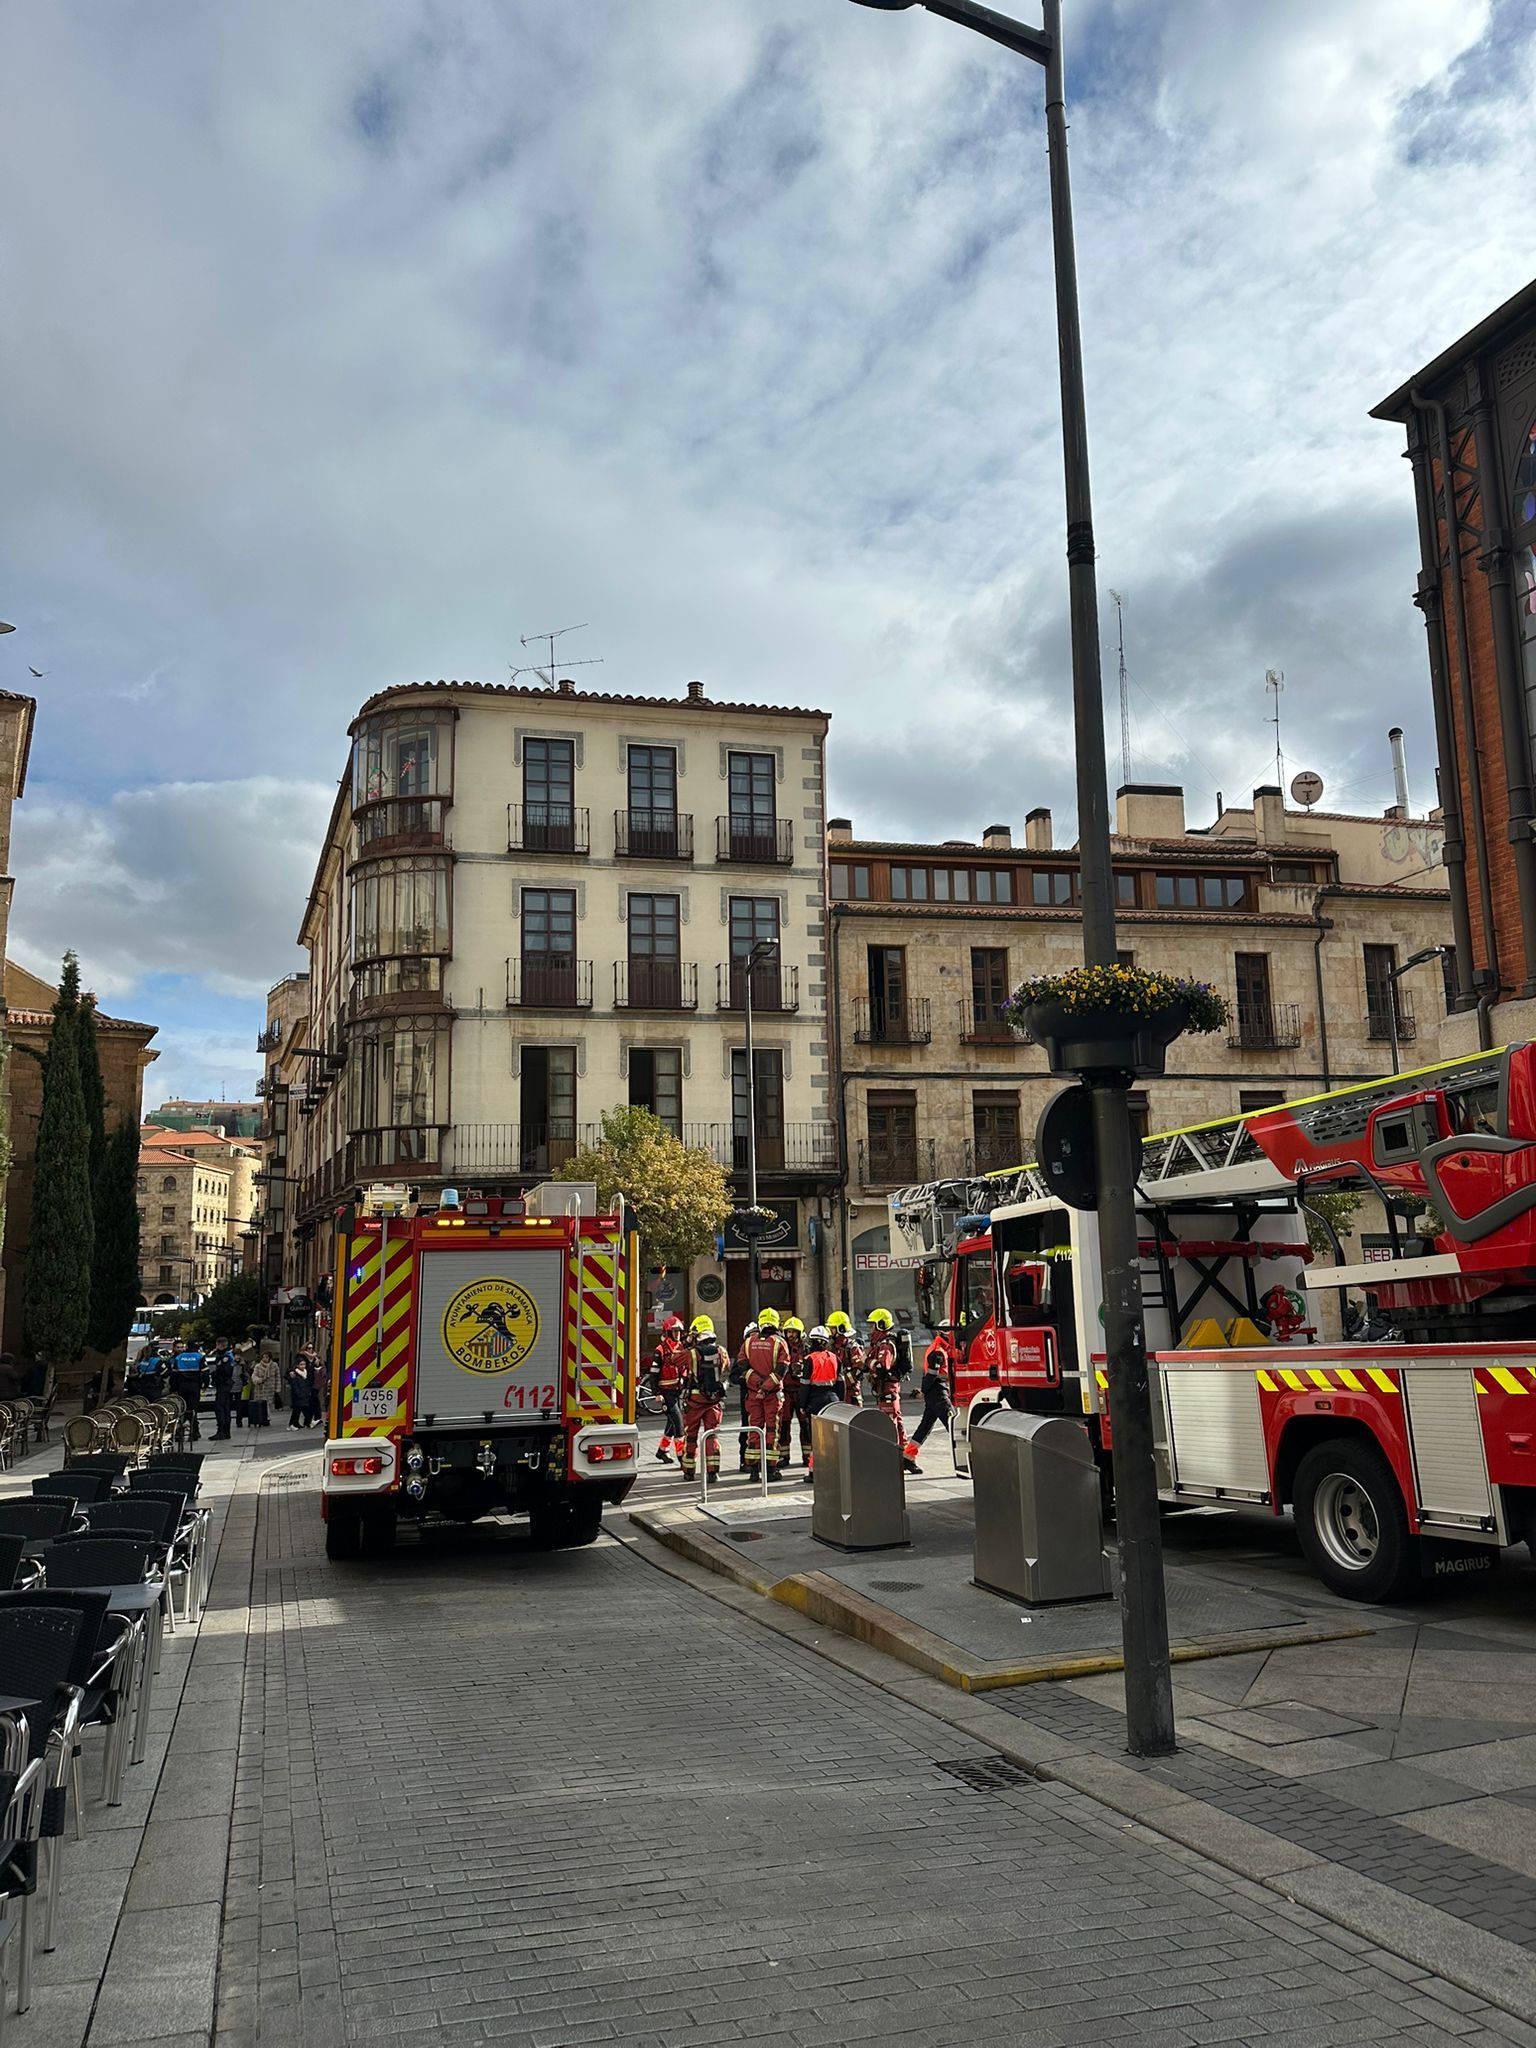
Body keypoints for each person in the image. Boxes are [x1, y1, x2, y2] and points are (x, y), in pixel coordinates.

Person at [865, 1307, 917, 1469]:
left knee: (889, 1423)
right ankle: (906, 1457)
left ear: (881, 1325)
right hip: (887, 1387)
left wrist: (867, 1362)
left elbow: (882, 1367)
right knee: (897, 1420)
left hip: (888, 1388)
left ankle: (893, 1457)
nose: (870, 1329)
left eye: (872, 1325)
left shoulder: (886, 1345)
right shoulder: (882, 1342)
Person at [678, 1315, 727, 1483]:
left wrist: (686, 1342)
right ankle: (713, 1473)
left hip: (695, 1400)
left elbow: (674, 1360)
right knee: (712, 1435)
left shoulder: (692, 1353)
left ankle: (689, 1472)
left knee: (691, 1435)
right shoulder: (721, 1351)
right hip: (713, 1400)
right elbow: (725, 1366)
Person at [741, 1312, 788, 1479]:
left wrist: (757, 1385)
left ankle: (753, 1471)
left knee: (754, 1429)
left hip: (753, 1394)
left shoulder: (748, 1342)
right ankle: (770, 1470)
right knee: (772, 1431)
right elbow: (781, 1370)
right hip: (772, 1395)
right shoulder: (780, 1343)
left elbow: (742, 1367)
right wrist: (766, 1387)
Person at [906, 1325, 956, 1474]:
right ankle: (969, 1457)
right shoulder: (938, 1352)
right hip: (938, 1394)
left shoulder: (937, 1348)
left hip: (935, 1394)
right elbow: (931, 1376)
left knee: (925, 1426)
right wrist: (923, 1391)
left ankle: (908, 1457)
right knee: (952, 1424)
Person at [800, 1327, 841, 1483]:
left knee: (817, 1440)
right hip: (833, 1401)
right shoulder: (835, 1358)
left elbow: (805, 1385)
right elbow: (840, 1383)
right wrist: (839, 1402)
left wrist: (802, 1404)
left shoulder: (809, 1359)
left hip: (815, 1402)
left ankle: (814, 1472)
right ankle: (834, 1470)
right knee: (832, 1438)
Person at [649, 1315, 690, 1464]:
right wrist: (657, 1393)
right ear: (667, 1332)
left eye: (679, 1331)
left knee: (672, 1423)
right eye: (674, 1331)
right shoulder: (660, 1350)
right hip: (666, 1393)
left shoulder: (682, 1347)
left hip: (678, 1391)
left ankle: (662, 1451)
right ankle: (682, 1456)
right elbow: (653, 1373)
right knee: (679, 1424)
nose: (677, 1334)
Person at [776, 1316, 811, 1471]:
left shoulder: (807, 1349)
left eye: (793, 1332)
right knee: (784, 1425)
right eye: (788, 1331)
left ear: (799, 1333)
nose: (790, 1335)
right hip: (787, 1391)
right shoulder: (782, 1348)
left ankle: (808, 1456)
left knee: (806, 1425)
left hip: (802, 1391)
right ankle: (783, 1456)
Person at [730, 1320, 758, 1472]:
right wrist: (743, 1379)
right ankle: (744, 1460)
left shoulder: (763, 1352)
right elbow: (733, 1376)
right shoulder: (743, 1353)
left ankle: (761, 1461)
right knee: (746, 1428)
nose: (754, 1338)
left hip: (762, 1396)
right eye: (751, 1336)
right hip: (747, 1395)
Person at [826, 1311, 864, 1407]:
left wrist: (843, 1381)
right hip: (835, 1392)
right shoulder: (830, 1347)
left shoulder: (853, 1347)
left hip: (851, 1393)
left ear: (841, 1329)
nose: (830, 1331)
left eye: (832, 1328)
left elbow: (858, 1371)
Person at [170, 1348, 204, 1439]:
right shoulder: (199, 1356)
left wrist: (174, 1388)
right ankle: (194, 1432)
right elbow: (205, 1371)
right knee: (193, 1410)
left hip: (182, 1386)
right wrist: (204, 1384)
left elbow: (174, 1375)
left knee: (182, 1410)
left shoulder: (179, 1357)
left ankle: (179, 1433)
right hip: (194, 1386)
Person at [209, 1343, 234, 1440]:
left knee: (220, 1408)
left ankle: (222, 1432)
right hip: (225, 1385)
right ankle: (226, 1432)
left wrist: (215, 1374)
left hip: (223, 1384)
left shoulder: (225, 1357)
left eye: (218, 1346)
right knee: (226, 1408)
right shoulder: (226, 1356)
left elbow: (225, 1371)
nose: (216, 1348)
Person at [250, 1350, 280, 1429]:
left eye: (266, 1357)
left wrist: (277, 1388)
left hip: (270, 1387)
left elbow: (277, 1377)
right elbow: (254, 1376)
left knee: (268, 1404)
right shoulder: (258, 1366)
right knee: (262, 1403)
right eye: (263, 1357)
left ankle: (266, 1418)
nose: (265, 1359)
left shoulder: (274, 1365)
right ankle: (264, 1418)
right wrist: (259, 1380)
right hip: (260, 1388)